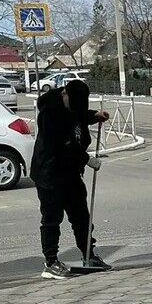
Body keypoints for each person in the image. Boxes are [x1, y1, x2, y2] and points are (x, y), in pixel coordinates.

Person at [31, 79, 111, 279]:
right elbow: (64, 144)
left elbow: (79, 115)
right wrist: (87, 160)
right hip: (49, 173)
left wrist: (94, 115)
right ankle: (50, 263)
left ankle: (88, 255)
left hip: (70, 172)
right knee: (52, 219)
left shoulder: (72, 105)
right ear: (64, 94)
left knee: (81, 217)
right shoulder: (49, 114)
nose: (74, 109)